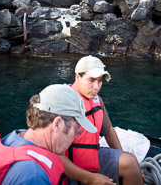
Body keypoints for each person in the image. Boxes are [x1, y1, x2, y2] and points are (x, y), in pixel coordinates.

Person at [0, 84, 98, 185]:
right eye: (76, 129)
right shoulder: (33, 175)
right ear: (57, 124)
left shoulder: (16, 136)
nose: (76, 136)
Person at [60, 56, 144, 185]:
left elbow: (109, 129)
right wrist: (90, 178)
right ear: (77, 77)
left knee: (131, 163)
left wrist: (133, 167)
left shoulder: (97, 100)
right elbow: (54, 153)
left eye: (99, 81)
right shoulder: (63, 102)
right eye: (91, 80)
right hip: (69, 165)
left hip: (93, 157)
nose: (96, 87)